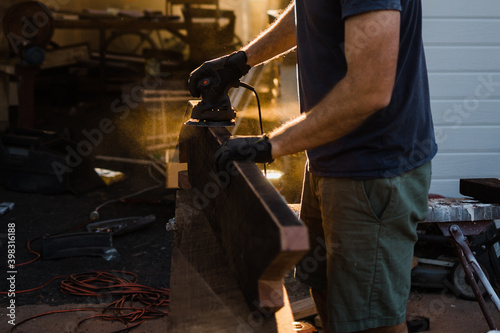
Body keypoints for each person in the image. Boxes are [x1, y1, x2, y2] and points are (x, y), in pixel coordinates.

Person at [188, 1, 437, 332]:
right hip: (330, 159)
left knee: (370, 321)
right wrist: (242, 61)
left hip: (373, 170)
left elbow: (369, 90)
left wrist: (270, 145)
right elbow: (309, 9)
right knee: (324, 286)